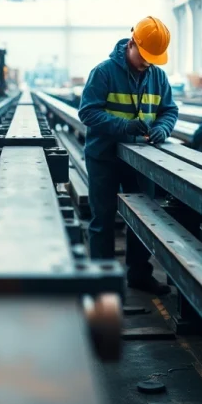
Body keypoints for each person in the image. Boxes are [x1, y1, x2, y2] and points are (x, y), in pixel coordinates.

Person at [78, 16, 179, 295]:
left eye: (153, 57)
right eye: (145, 55)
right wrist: (123, 126)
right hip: (105, 156)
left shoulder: (158, 76)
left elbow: (169, 110)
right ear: (131, 43)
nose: (148, 62)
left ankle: (139, 274)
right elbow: (87, 112)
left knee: (141, 217)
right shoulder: (104, 72)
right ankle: (102, 279)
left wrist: (162, 128)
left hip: (141, 158)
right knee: (103, 218)